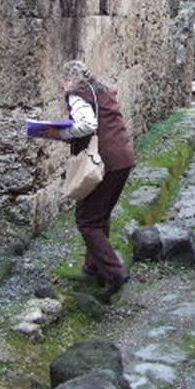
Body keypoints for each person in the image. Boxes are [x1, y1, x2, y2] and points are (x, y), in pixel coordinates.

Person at [41, 60, 135, 298]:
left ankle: (115, 273)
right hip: (123, 158)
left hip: (102, 161)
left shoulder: (77, 95)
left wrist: (60, 133)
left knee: (87, 220)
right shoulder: (102, 90)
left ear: (69, 80)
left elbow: (87, 124)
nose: (62, 86)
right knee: (100, 215)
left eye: (63, 81)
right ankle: (93, 267)